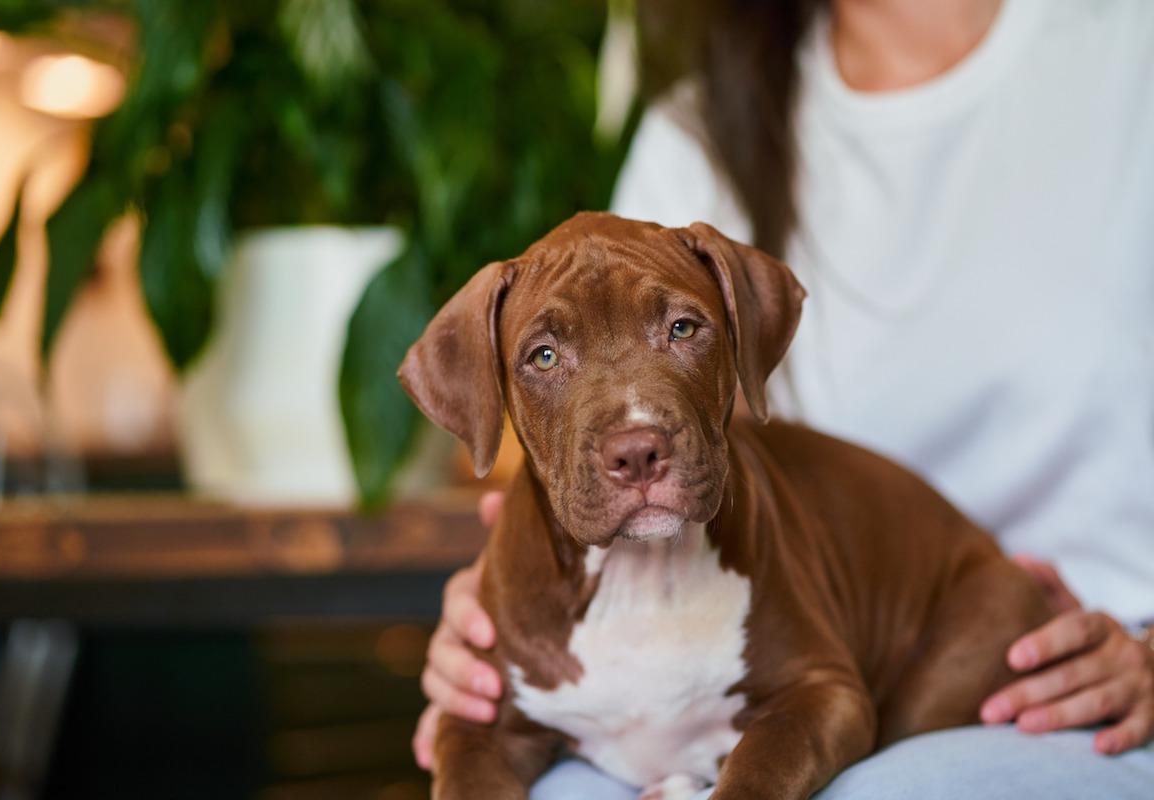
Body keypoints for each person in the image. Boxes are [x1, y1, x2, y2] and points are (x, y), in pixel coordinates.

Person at [413, 0, 1154, 796]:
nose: (633, 428)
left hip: (1058, 662)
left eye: (683, 330)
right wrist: (483, 658)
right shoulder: (701, 128)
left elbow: (826, 699)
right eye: (546, 356)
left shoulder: (1124, 52)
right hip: (643, 691)